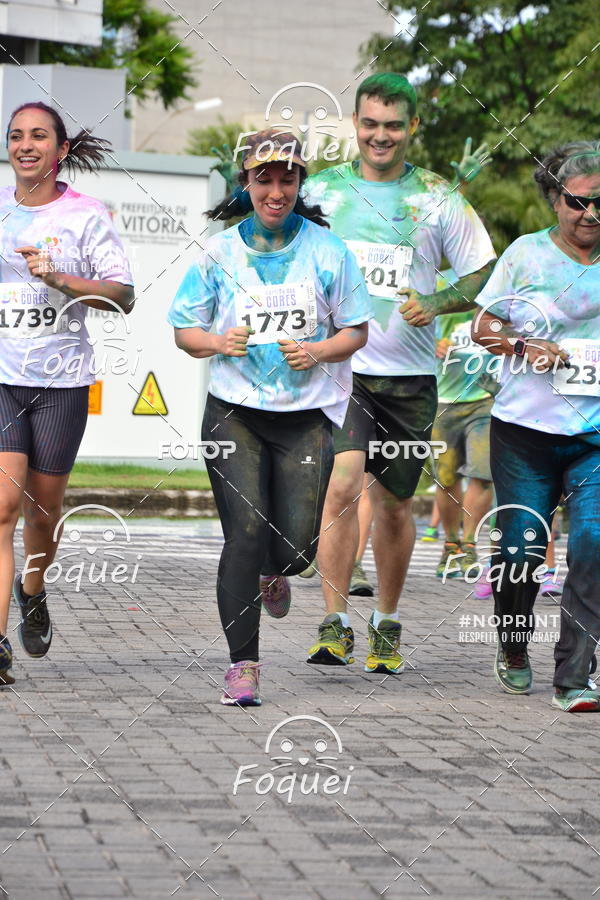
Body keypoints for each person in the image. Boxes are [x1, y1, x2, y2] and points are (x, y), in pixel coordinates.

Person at [168, 129, 371, 707]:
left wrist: (319, 351)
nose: (276, 190)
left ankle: (274, 572)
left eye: (287, 178)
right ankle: (243, 665)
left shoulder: (329, 251)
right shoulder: (221, 253)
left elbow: (356, 331)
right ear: (247, 183)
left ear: (300, 182)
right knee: (245, 534)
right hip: (234, 412)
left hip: (306, 415)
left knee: (297, 550)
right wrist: (216, 342)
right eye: (264, 179)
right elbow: (185, 332)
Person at [304, 74, 495, 674]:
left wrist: (437, 303)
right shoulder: (323, 193)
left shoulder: (439, 198)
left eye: (392, 125)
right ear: (354, 125)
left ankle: (386, 621)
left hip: (410, 378)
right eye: (369, 124)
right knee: (340, 488)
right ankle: (333, 623)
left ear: (412, 127)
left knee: (392, 505)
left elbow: (481, 274)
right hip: (341, 370)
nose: (379, 136)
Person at [0, 102, 134, 687]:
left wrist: (58, 279)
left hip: (61, 384)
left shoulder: (87, 216)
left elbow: (121, 296)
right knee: (1, 509)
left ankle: (34, 589)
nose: (25, 145)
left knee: (41, 510)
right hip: (2, 380)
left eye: (38, 136)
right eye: (15, 136)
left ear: (60, 150)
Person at [472, 141, 600, 712]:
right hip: (524, 431)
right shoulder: (525, 256)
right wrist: (526, 345)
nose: (590, 214)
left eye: (599, 202)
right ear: (554, 200)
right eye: (577, 202)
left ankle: (574, 676)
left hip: (593, 435)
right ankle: (515, 645)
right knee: (522, 551)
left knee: (594, 543)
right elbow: (481, 328)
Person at [433, 271, 495, 579]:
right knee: (445, 478)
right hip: (444, 400)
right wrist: (433, 342)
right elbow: (410, 324)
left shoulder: (499, 282)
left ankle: (469, 543)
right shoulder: (440, 283)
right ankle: (451, 544)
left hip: (485, 399)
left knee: (483, 473)